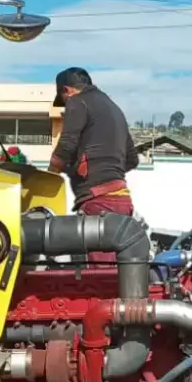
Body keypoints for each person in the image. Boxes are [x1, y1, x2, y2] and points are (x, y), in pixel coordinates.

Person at [48, 68, 140, 265]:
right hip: (122, 201)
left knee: (101, 274)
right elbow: (132, 159)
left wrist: (51, 173)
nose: (65, 104)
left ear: (66, 90)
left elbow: (67, 144)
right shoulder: (115, 108)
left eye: (63, 99)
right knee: (119, 272)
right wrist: (108, 171)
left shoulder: (77, 101)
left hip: (99, 203)